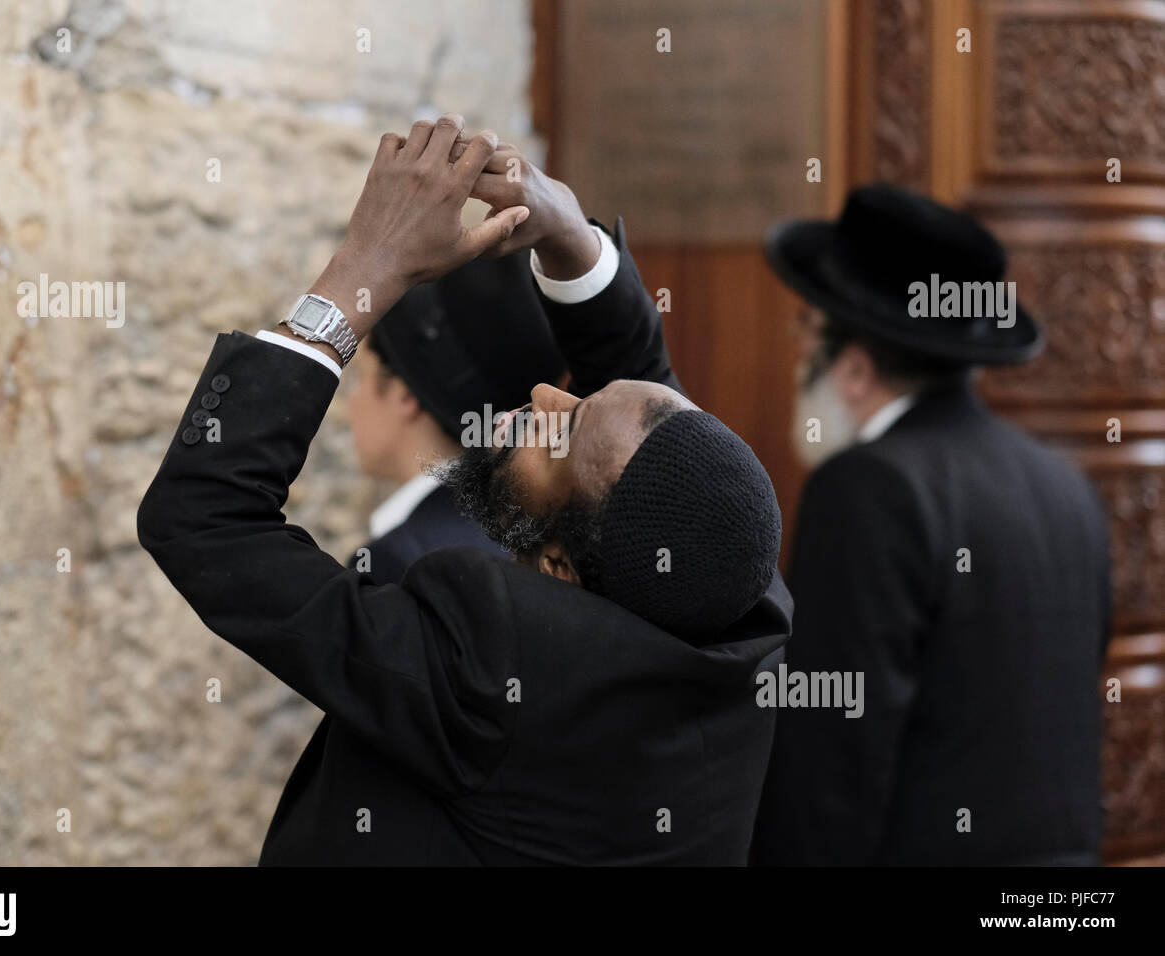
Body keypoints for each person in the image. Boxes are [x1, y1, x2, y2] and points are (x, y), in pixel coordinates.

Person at [137, 114, 791, 865]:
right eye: (577, 402)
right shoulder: (740, 603)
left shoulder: (492, 676)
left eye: (559, 437)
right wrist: (569, 236)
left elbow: (204, 520)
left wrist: (365, 268)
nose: (547, 396)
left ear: (558, 571)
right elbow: (643, 420)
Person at [752, 183, 1112, 865]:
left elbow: (831, 763)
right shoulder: (1065, 486)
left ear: (853, 368)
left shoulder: (865, 489)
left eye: (805, 331)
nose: (798, 353)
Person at [346, 254, 564, 586]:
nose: (351, 401)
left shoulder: (400, 564)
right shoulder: (542, 536)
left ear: (404, 395)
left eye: (360, 378)